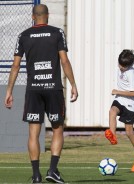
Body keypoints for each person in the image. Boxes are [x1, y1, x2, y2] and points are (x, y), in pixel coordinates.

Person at [4, 4, 78, 184]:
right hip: (53, 88)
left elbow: (15, 65)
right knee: (57, 129)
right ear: (48, 15)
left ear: (32, 16)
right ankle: (52, 170)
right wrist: (74, 85)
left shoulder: (24, 35)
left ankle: (36, 175)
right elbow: (64, 61)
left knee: (33, 133)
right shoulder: (57, 33)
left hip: (33, 90)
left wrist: (9, 91)